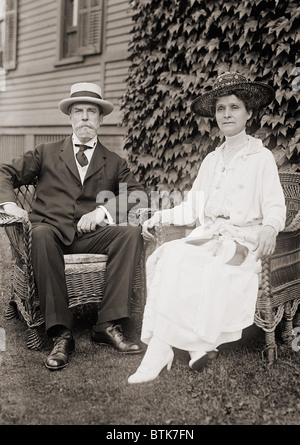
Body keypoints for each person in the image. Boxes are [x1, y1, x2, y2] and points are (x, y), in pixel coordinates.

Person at [127, 72, 286, 384]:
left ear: (249, 113)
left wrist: (270, 227)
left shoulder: (261, 158)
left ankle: (174, 348)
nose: (226, 114)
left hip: (243, 243)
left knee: (207, 264)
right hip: (211, 236)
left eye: (234, 107)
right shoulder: (212, 159)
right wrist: (158, 217)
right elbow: (193, 206)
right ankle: (178, 346)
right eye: (221, 109)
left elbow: (275, 204)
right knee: (169, 255)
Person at [0, 82, 147, 370]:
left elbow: (138, 193)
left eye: (91, 112)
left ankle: (107, 324)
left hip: (89, 236)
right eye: (78, 111)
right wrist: (9, 204)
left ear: (100, 120)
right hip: (49, 233)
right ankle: (60, 334)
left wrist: (103, 210)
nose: (84, 117)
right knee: (39, 233)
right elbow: (4, 173)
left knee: (130, 233)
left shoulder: (114, 161)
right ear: (70, 117)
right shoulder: (46, 152)